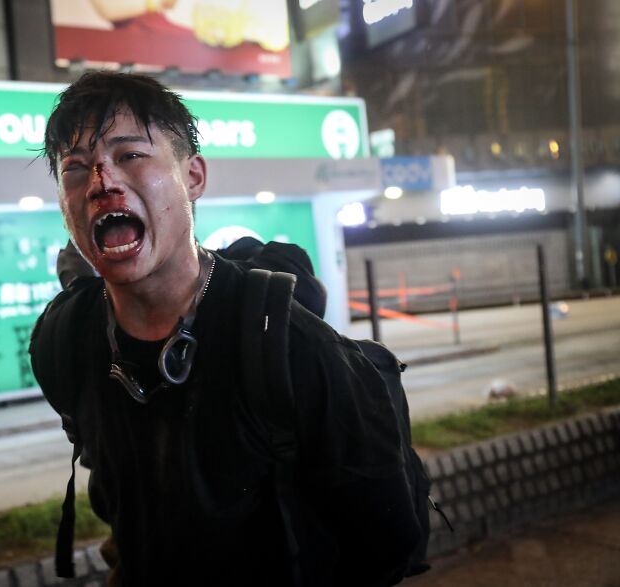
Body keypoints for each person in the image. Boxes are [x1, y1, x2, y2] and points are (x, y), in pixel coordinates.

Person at [29, 71, 420, 586]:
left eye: (130, 155)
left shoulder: (287, 342)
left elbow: (389, 541)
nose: (102, 181)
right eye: (75, 168)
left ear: (193, 177)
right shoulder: (65, 343)